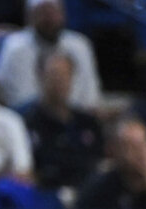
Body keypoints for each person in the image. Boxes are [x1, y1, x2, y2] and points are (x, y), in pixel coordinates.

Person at [0, 0, 102, 111]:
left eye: (53, 12)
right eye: (42, 13)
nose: (49, 19)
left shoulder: (79, 44)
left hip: (74, 118)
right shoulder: (15, 47)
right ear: (30, 17)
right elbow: (14, 98)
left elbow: (90, 96)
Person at [24, 49, 106, 190]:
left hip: (86, 195)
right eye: (54, 75)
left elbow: (99, 163)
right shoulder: (26, 122)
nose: (59, 81)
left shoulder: (88, 123)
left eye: (64, 75)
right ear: (40, 76)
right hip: (45, 195)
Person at [74, 116, 146, 209]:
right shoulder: (98, 190)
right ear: (115, 152)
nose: (142, 154)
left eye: (145, 144)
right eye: (133, 147)